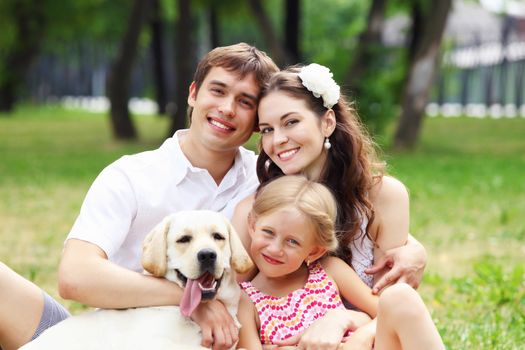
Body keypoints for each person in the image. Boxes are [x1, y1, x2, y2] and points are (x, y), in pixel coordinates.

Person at [0, 42, 279, 350]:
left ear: (258, 119)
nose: (227, 108)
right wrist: (194, 299)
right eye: (218, 90)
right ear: (193, 93)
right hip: (107, 335)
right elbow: (75, 276)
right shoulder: (131, 175)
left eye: (245, 101)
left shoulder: (266, 182)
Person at [231, 63, 428, 347]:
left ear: (327, 122)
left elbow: (391, 306)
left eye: (291, 122)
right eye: (267, 130)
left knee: (400, 298)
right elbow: (235, 299)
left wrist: (344, 322)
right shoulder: (257, 210)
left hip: (369, 340)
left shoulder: (384, 195)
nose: (278, 140)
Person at [237, 175, 444, 350]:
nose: (275, 248)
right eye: (268, 232)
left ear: (315, 250)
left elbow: (382, 314)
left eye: (292, 241)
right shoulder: (245, 301)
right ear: (252, 225)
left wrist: (354, 326)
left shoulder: (328, 270)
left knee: (401, 296)